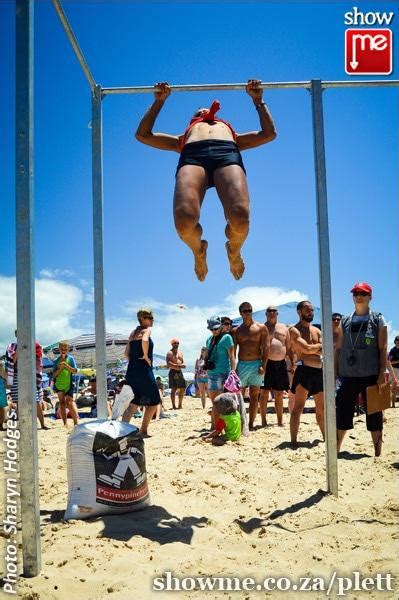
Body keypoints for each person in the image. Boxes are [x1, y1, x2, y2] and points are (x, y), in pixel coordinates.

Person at [135, 80, 276, 281]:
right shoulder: (181, 139)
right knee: (184, 222)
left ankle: (234, 250)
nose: (202, 111)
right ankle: (198, 250)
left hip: (226, 152)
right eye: (197, 112)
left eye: (205, 111)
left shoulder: (233, 135)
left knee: (240, 217)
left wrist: (258, 100)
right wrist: (159, 102)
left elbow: (269, 133)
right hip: (192, 155)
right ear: (191, 121)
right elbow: (143, 135)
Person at [335, 282, 388, 457]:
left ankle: (377, 452)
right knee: (342, 412)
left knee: (374, 414)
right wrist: (334, 373)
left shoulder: (378, 319)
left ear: (370, 297)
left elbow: (383, 348)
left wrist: (382, 373)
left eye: (363, 293)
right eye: (356, 293)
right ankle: (336, 450)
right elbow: (338, 348)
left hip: (370, 374)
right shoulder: (345, 320)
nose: (359, 296)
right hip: (347, 375)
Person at [289, 301, 325, 448]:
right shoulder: (294, 330)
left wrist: (312, 349)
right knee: (298, 409)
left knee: (321, 409)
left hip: (318, 372)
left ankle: (325, 438)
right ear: (299, 312)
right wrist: (315, 348)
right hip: (304, 372)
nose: (310, 312)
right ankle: (293, 441)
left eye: (311, 310)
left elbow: (321, 349)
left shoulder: (317, 330)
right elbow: (306, 349)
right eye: (307, 310)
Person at [121, 308, 161, 436]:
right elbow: (144, 340)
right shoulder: (147, 330)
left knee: (133, 403)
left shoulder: (133, 332)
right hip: (144, 370)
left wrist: (133, 361)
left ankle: (122, 431)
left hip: (131, 370)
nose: (152, 320)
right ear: (143, 319)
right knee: (155, 400)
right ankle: (143, 430)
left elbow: (126, 353)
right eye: (150, 318)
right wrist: (145, 356)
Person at [233, 302, 269, 431]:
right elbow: (233, 352)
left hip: (256, 364)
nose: (248, 312)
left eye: (250, 310)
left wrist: (263, 365)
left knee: (254, 396)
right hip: (242, 364)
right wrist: (234, 368)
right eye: (245, 311)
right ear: (240, 313)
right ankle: (241, 422)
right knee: (238, 396)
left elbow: (266, 348)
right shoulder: (236, 330)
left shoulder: (261, 328)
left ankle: (251, 424)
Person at [260, 306, 294, 427]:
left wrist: (293, 363)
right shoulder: (262, 328)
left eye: (274, 311)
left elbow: (289, 347)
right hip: (266, 363)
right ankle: (263, 420)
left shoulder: (284, 328)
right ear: (266, 313)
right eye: (269, 311)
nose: (272, 313)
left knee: (279, 393)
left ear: (277, 313)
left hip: (281, 363)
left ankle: (280, 421)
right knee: (264, 393)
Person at [7, 332, 49, 429]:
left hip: (29, 375)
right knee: (18, 402)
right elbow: (13, 361)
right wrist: (19, 348)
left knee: (36, 401)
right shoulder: (13, 347)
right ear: (16, 336)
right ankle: (15, 426)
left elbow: (37, 361)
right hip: (17, 374)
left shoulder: (34, 346)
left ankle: (42, 424)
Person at [205, 316, 236, 428]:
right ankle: (214, 427)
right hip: (212, 374)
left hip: (224, 374)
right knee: (214, 403)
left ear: (221, 326)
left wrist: (233, 372)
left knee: (224, 403)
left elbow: (232, 357)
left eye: (216, 328)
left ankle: (226, 427)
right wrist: (205, 361)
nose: (214, 331)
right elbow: (207, 356)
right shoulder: (209, 339)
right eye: (211, 329)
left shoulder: (227, 337)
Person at [53, 341, 79, 427]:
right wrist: (60, 368)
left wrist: (66, 366)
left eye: (65, 349)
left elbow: (75, 371)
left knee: (70, 403)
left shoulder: (70, 359)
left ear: (68, 349)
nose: (63, 351)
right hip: (59, 385)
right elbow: (54, 375)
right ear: (59, 349)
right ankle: (65, 423)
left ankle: (76, 423)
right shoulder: (56, 361)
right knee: (62, 403)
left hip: (69, 384)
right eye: (62, 349)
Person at [166, 339, 186, 409]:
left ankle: (180, 404)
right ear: (171, 344)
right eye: (175, 343)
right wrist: (178, 366)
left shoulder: (180, 353)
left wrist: (182, 365)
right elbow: (168, 363)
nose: (176, 344)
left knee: (183, 388)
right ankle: (173, 405)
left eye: (177, 343)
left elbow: (182, 362)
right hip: (173, 372)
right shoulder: (169, 353)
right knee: (174, 389)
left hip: (179, 372)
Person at [387, 336, 399, 402]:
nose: (398, 343)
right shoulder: (392, 350)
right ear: (395, 342)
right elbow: (389, 362)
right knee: (391, 386)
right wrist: (397, 361)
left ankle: (394, 401)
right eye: (397, 342)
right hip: (393, 369)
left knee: (397, 387)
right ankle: (390, 401)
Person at [0, 359, 7, 430]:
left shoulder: (2, 363)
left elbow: (4, 376)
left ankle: (0, 425)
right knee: (1, 407)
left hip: (1, 384)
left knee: (1, 406)